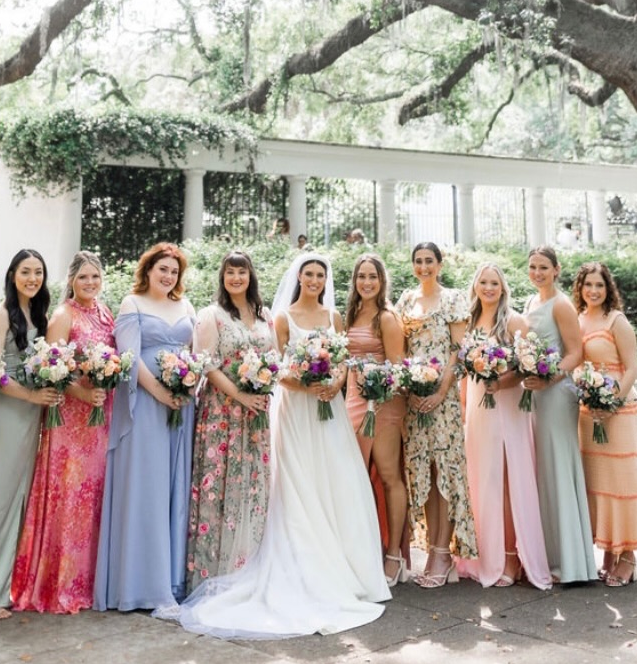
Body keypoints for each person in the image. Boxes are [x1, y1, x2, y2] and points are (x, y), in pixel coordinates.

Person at [172, 253, 389, 638]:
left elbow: (342, 360)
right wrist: (304, 382)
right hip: (293, 409)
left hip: (328, 409)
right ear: (299, 277)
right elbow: (277, 367)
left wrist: (335, 382)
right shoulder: (281, 317)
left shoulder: (333, 317)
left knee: (336, 482)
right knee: (296, 483)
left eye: (321, 274)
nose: (315, 280)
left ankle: (350, 568)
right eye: (308, 273)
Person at [93, 242, 197, 611]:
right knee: (147, 489)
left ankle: (171, 580)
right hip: (144, 405)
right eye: (162, 269)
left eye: (174, 271)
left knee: (174, 490)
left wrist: (188, 385)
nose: (168, 276)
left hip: (181, 407)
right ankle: (142, 586)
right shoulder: (132, 304)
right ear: (148, 270)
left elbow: (195, 353)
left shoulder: (185, 306)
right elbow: (129, 357)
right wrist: (160, 392)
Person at [11, 250, 116, 613]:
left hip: (101, 419)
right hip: (71, 420)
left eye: (95, 277)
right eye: (83, 277)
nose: (90, 283)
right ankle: (59, 584)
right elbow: (52, 368)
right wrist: (84, 392)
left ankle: (88, 583)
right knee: (70, 497)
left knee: (94, 498)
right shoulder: (63, 315)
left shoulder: (105, 313)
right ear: (71, 279)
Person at [0, 248, 61, 618]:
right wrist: (32, 394)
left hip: (32, 415)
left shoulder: (39, 316)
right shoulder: (1, 314)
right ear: (12, 274)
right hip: (8, 412)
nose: (32, 278)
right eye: (26, 271)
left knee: (19, 501)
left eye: (38, 272)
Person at [455, 263, 550, 590]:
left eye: (494, 282)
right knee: (484, 479)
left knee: (509, 480)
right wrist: (465, 405)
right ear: (476, 285)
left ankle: (511, 556)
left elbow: (530, 367)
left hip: (508, 407)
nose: (489, 288)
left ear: (503, 287)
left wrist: (502, 380)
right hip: (479, 411)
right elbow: (466, 371)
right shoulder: (469, 321)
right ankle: (484, 554)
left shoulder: (514, 322)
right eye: (483, 282)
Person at [186, 250, 275, 589]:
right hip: (222, 414)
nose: (236, 278)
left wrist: (264, 386)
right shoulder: (212, 315)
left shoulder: (264, 314)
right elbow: (206, 364)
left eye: (242, 272)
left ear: (251, 276)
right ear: (222, 278)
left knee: (252, 487)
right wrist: (241, 396)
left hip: (255, 417)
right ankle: (216, 576)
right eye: (229, 272)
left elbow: (274, 358)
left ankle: (250, 568)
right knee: (220, 489)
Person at [395, 241, 478, 587]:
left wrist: (442, 390)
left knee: (444, 470)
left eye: (429, 261)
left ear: (440, 264)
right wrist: (409, 388)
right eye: (418, 261)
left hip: (442, 400)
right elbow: (401, 350)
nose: (424, 266)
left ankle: (442, 554)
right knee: (422, 473)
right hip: (414, 400)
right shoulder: (405, 300)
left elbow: (458, 350)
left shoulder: (454, 299)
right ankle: (430, 548)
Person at [572, 261, 637, 586]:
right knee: (599, 483)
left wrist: (612, 403)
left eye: (600, 285)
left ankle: (629, 556)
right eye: (588, 285)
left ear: (608, 290)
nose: (593, 291)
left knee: (622, 481)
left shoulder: (616, 320)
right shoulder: (578, 320)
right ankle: (609, 551)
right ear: (580, 288)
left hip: (618, 409)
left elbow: (632, 368)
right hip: (588, 410)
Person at [522, 246, 596, 584]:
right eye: (533, 267)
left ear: (556, 270)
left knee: (558, 466)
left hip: (556, 393)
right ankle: (548, 556)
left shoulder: (562, 305)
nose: (537, 272)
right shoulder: (529, 303)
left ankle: (572, 562)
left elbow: (575, 352)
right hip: (534, 393)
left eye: (544, 267)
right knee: (541, 470)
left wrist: (549, 377)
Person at [343, 252, 408, 586]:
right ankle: (363, 550)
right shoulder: (351, 314)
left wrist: (375, 382)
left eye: (373, 276)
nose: (366, 282)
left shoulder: (386, 316)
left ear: (382, 281)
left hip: (383, 403)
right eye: (361, 276)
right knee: (354, 477)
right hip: (353, 401)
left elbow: (397, 367)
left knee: (388, 474)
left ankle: (394, 555)